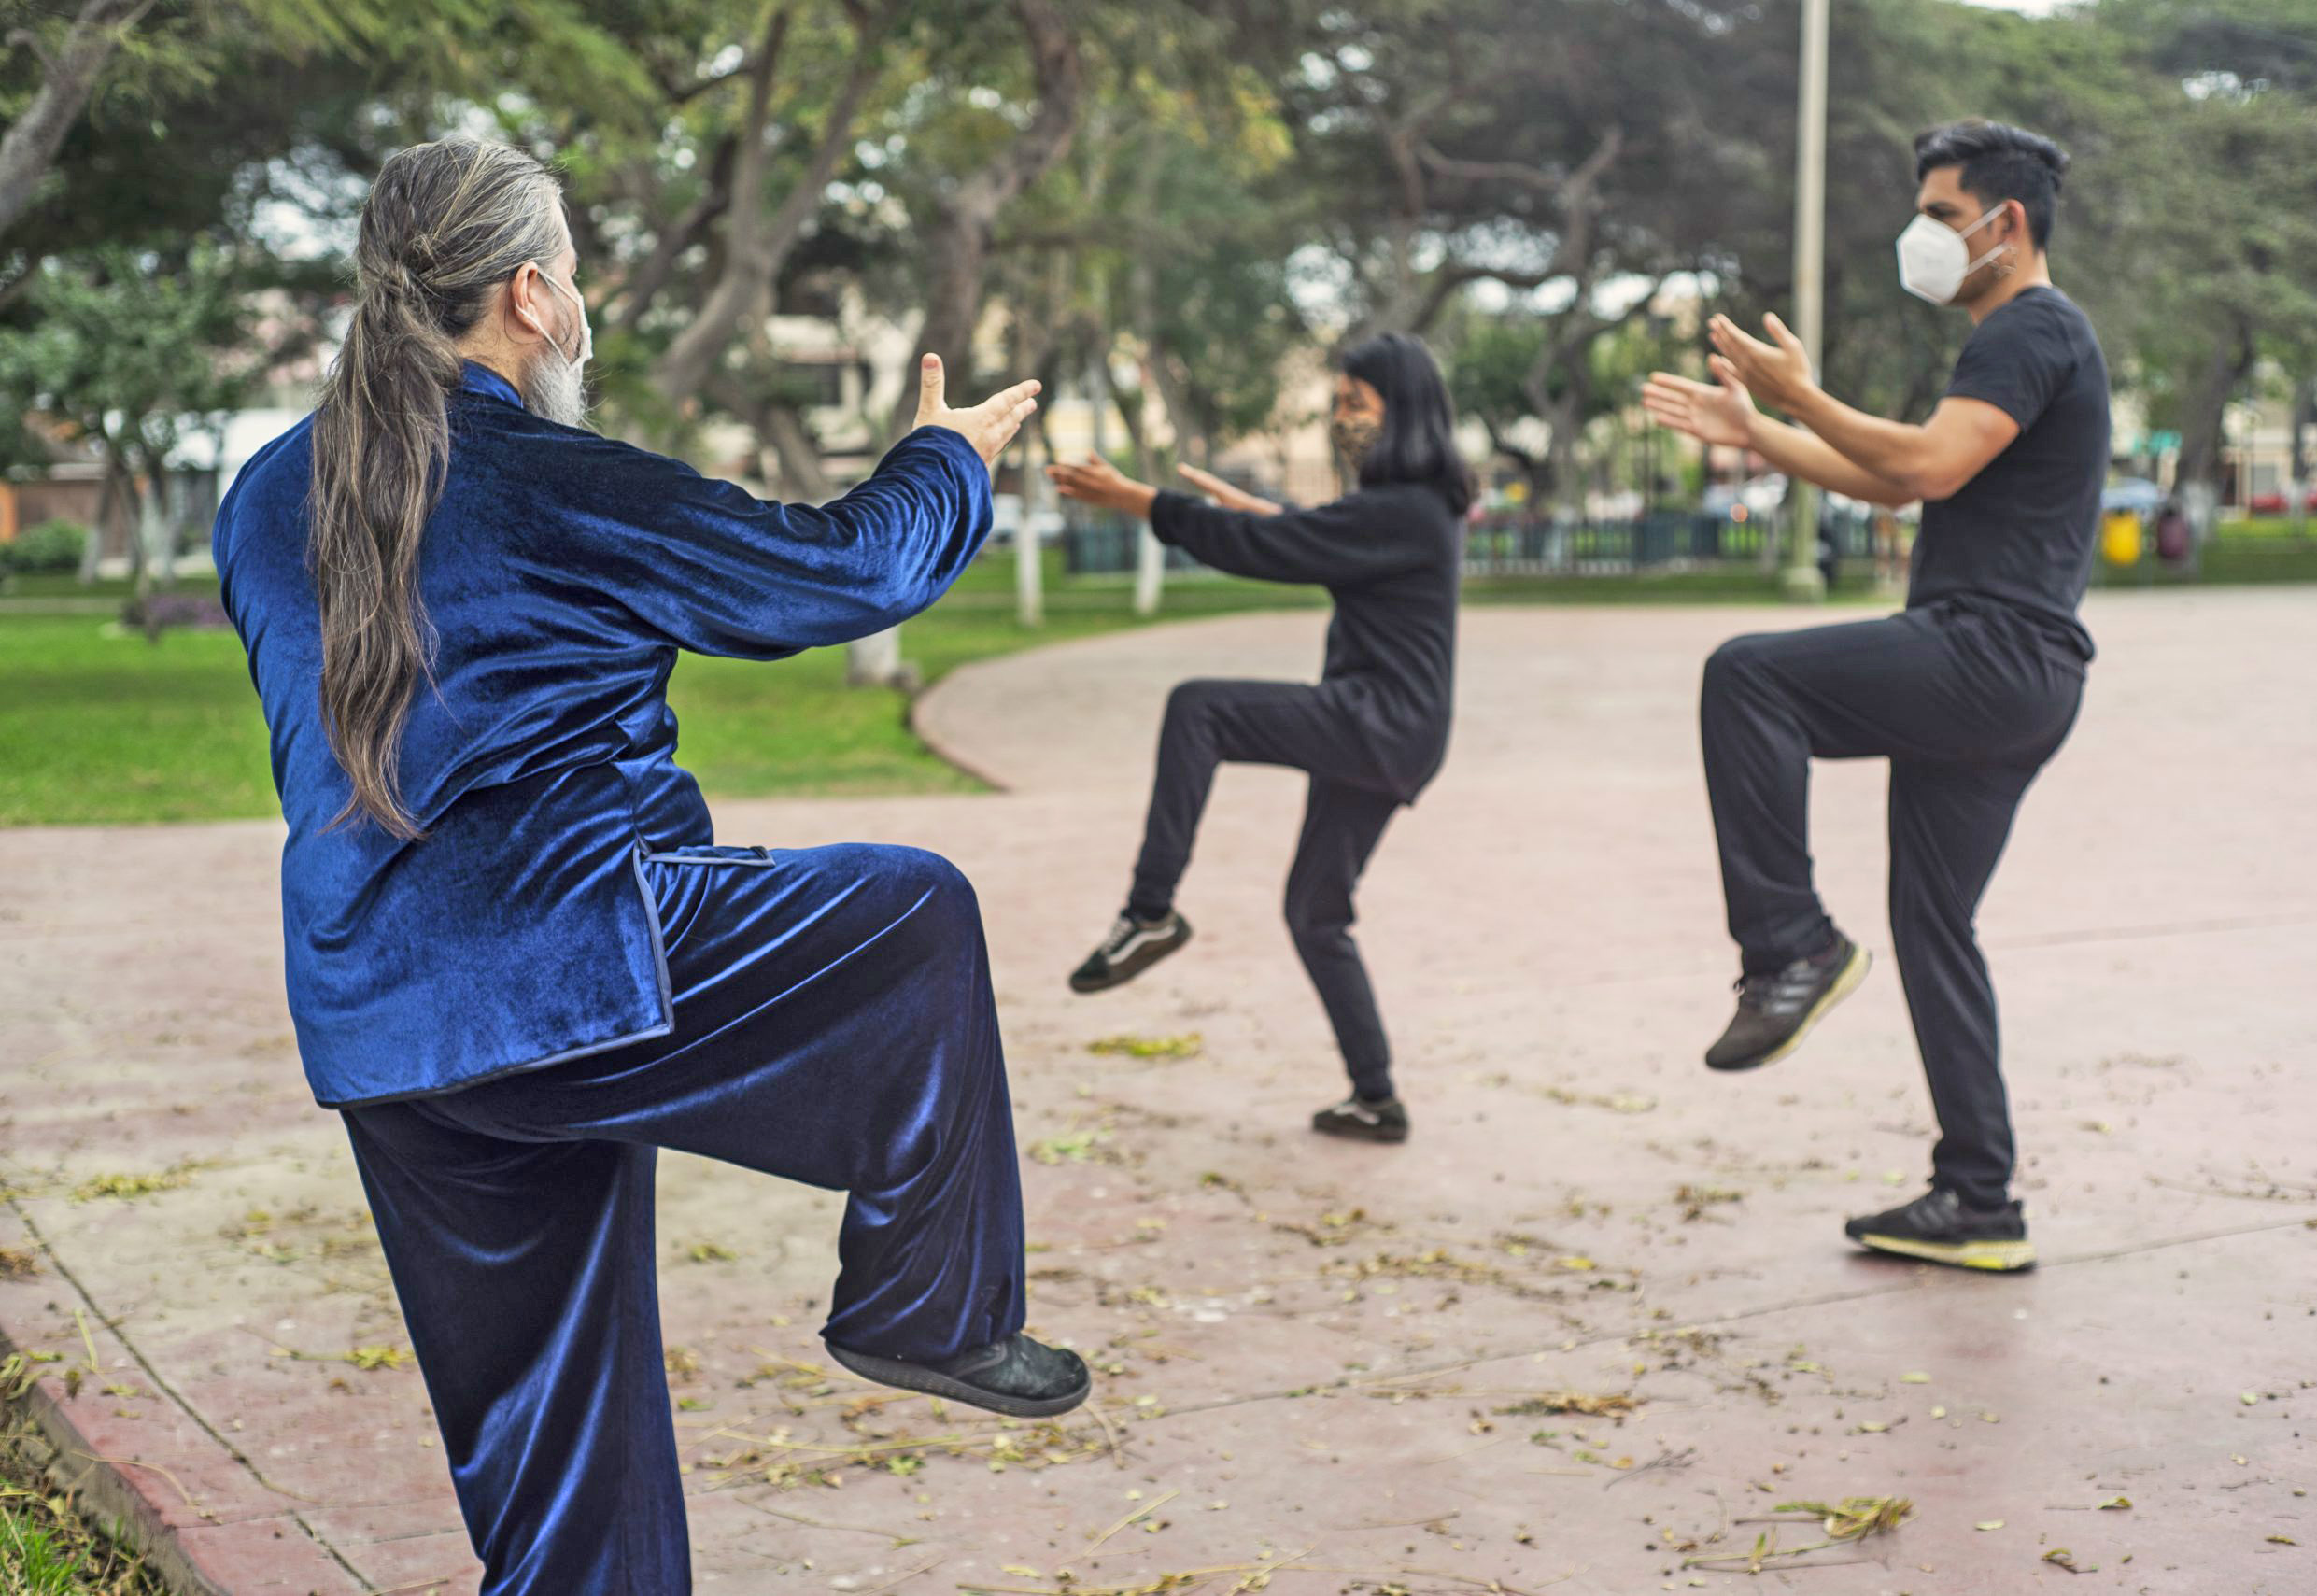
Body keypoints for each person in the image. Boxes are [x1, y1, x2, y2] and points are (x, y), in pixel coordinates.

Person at [212, 138, 1083, 1595]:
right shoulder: (548, 479)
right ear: (533, 293)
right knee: (918, 916)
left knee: (557, 1457)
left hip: (379, 1024)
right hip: (565, 971)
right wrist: (949, 458)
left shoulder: (255, 499)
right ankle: (925, 1310)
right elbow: (844, 570)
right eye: (577, 277)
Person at [1642, 120, 2109, 1272]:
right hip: (2014, 673)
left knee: (1748, 676)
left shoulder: (2029, 327)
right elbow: (1896, 486)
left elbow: (1920, 467)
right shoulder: (2023, 341)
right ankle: (1978, 1198)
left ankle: (1790, 943)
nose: (1923, 238)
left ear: (2005, 225)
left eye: (1941, 217)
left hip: (1987, 653)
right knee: (1932, 925)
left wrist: (1798, 395)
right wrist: (1759, 431)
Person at [1047, 332, 1471, 1144]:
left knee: (1199, 709)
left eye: (1356, 404)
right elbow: (1314, 538)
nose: (1341, 418)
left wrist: (1141, 500)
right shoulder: (1417, 508)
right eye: (1338, 403)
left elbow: (1278, 550)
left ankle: (1151, 911)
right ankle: (1375, 1098)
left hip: (1378, 721)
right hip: (1394, 727)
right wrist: (1270, 519)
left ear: (1404, 410)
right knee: (1315, 911)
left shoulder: (1407, 509)